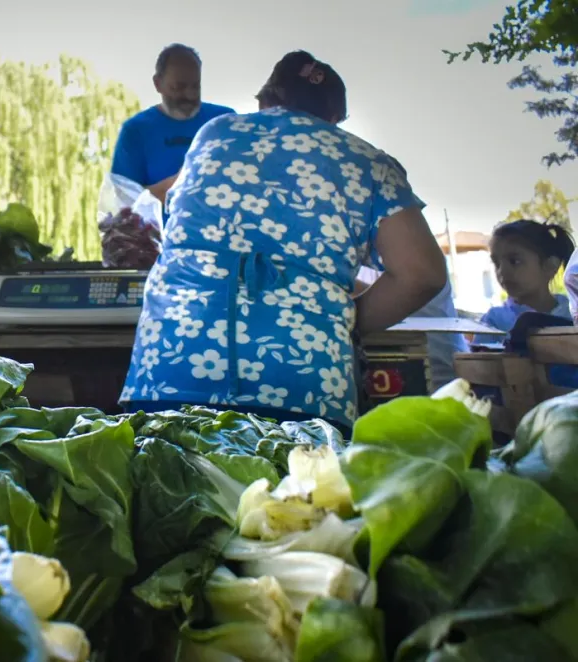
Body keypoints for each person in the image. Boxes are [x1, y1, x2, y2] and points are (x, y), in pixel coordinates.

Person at [119, 50, 447, 433]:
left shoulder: (214, 133)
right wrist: (345, 319)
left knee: (166, 469)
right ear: (335, 118)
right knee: (296, 475)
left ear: (265, 102)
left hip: (169, 369)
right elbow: (422, 274)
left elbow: (168, 211)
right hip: (301, 383)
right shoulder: (368, 161)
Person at [110, 44, 235, 204]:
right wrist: (180, 182)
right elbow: (125, 200)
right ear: (157, 84)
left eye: (195, 86)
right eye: (178, 87)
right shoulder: (135, 131)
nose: (190, 95)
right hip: (163, 221)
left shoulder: (225, 121)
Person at [355, 267, 468, 393]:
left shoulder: (416, 265)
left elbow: (412, 285)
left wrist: (340, 283)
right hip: (386, 377)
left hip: (436, 378)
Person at [480, 220, 575, 332]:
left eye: (514, 261)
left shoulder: (572, 314)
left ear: (550, 266)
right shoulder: (494, 321)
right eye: (496, 263)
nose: (502, 271)